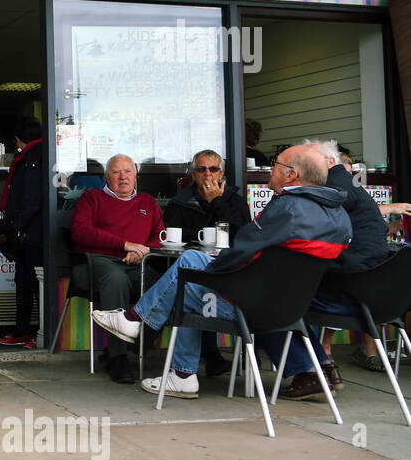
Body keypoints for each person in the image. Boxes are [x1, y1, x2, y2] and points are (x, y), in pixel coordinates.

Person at [92, 145, 351, 400]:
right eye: (201, 169)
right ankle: (148, 335)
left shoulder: (287, 209)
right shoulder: (337, 215)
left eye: (276, 164)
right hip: (291, 306)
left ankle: (169, 359)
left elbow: (241, 251)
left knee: (190, 280)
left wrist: (212, 273)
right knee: (192, 267)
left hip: (254, 308)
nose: (271, 169)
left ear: (291, 175)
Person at [258, 139, 389, 397]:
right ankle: (324, 368)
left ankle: (308, 372)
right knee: (279, 292)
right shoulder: (347, 186)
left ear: (329, 162)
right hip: (373, 293)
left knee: (266, 301)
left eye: (312, 160)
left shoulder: (329, 188)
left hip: (349, 293)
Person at [70, 153, 164, 384]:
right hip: (99, 260)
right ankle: (117, 356)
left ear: (136, 176)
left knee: (163, 285)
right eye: (116, 172)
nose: (123, 177)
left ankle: (139, 343)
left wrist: (142, 250)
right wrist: (124, 245)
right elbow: (80, 231)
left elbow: (160, 237)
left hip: (139, 261)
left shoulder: (147, 202)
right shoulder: (92, 198)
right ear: (107, 177)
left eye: (128, 171)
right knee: (116, 280)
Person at [161, 149, 251, 375]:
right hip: (190, 267)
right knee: (194, 287)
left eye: (213, 169)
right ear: (193, 174)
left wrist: (216, 202)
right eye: (201, 169)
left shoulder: (234, 201)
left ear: (221, 173)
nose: (208, 174)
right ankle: (207, 356)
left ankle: (206, 359)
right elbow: (172, 234)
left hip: (228, 272)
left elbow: (240, 235)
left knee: (202, 289)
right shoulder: (181, 202)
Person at [0, 118, 43, 349]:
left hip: (31, 232)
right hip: (30, 230)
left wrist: (17, 226)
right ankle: (24, 331)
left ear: (18, 138)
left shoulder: (31, 158)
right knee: (25, 281)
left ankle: (35, 332)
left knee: (31, 283)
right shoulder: (37, 155)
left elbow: (32, 198)